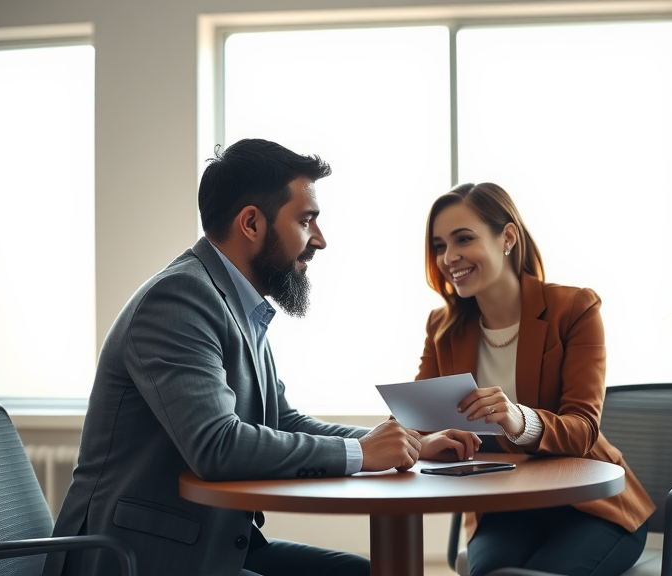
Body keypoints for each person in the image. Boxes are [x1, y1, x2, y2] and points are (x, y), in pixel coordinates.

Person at [44, 139, 471, 576]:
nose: (320, 240)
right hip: (138, 557)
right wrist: (362, 452)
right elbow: (217, 446)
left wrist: (408, 445)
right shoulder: (178, 300)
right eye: (306, 221)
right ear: (251, 222)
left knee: (362, 572)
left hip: (206, 545)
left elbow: (282, 422)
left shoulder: (237, 304)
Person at [416, 182, 656, 576]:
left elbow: (583, 430)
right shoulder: (444, 328)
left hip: (594, 509)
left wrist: (517, 418)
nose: (449, 257)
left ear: (507, 237)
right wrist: (427, 440)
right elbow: (418, 416)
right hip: (507, 510)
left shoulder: (574, 308)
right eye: (440, 245)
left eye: (463, 239)